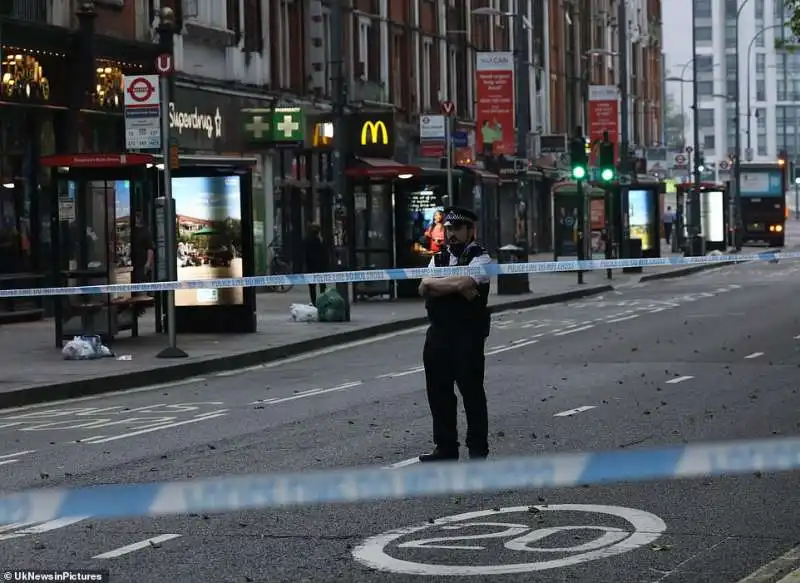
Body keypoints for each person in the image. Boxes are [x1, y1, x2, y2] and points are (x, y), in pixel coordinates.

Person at [417, 207, 492, 462]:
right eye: (449, 229)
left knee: (471, 392)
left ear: (471, 231)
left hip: (467, 335)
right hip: (438, 333)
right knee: (438, 393)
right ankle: (445, 447)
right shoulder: (437, 258)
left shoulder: (481, 258)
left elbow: (466, 284)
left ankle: (477, 449)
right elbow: (423, 286)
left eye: (458, 229)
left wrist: (443, 285)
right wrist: (453, 285)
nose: (452, 234)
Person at [303, 223, 329, 305]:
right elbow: (325, 252)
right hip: (320, 266)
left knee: (312, 286)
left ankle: (314, 301)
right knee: (322, 285)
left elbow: (304, 253)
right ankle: (322, 300)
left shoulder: (306, 239)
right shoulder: (319, 240)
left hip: (311, 266)